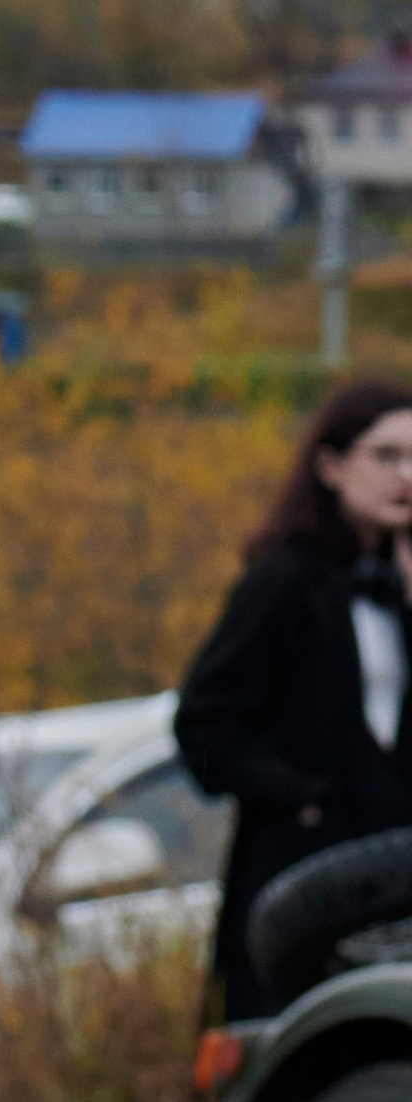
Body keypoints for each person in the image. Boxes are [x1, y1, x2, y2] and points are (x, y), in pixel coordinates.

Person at [175, 376, 412, 1018]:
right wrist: (301, 799)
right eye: (386, 456)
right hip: (300, 888)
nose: (406, 477)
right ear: (332, 467)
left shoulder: (396, 589)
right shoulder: (283, 582)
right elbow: (203, 726)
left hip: (394, 893)